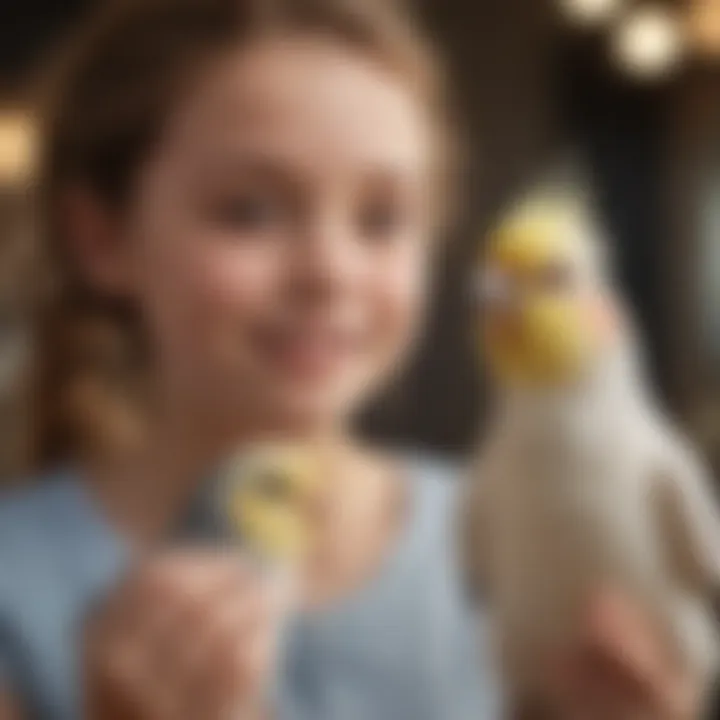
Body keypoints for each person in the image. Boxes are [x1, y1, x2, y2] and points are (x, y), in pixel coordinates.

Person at [0, 0, 701, 718]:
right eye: (249, 211)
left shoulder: (510, 542)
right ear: (101, 240)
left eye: (381, 219)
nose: (329, 272)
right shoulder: (16, 590)